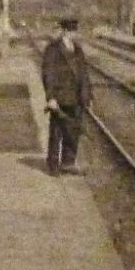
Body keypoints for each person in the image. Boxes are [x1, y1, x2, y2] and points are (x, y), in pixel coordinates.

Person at [41, 18, 93, 176]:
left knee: (73, 131)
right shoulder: (53, 49)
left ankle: (68, 162)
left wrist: (88, 95)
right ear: (63, 31)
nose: (72, 34)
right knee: (57, 132)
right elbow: (48, 74)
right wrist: (50, 98)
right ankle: (53, 164)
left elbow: (84, 74)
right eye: (70, 31)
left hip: (76, 97)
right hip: (60, 96)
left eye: (74, 31)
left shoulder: (78, 49)